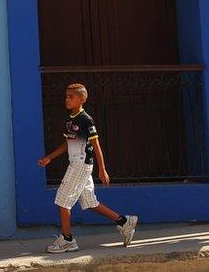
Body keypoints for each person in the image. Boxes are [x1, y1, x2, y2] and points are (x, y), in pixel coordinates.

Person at [37, 83, 137, 253]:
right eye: (66, 96)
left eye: (71, 97)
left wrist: (102, 169)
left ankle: (68, 240)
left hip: (81, 164)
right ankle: (123, 221)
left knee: (62, 199)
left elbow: (96, 145)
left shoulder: (86, 119)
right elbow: (67, 143)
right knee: (90, 202)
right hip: (76, 163)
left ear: (82, 99)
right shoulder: (70, 119)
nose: (67, 99)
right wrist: (49, 158)